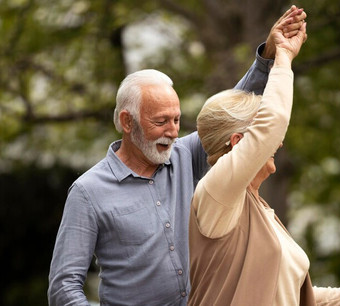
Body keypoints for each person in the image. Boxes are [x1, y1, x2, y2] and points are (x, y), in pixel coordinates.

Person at [47, 6, 308, 306]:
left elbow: (230, 119)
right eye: (160, 122)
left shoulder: (182, 155)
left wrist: (268, 58)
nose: (172, 132)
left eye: (176, 120)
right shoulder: (88, 192)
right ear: (128, 122)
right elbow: (64, 288)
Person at [188, 12, 340, 306]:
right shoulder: (216, 193)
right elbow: (273, 122)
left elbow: (289, 296)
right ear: (239, 143)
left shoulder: (258, 206)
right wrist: (283, 58)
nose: (279, 142)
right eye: (262, 135)